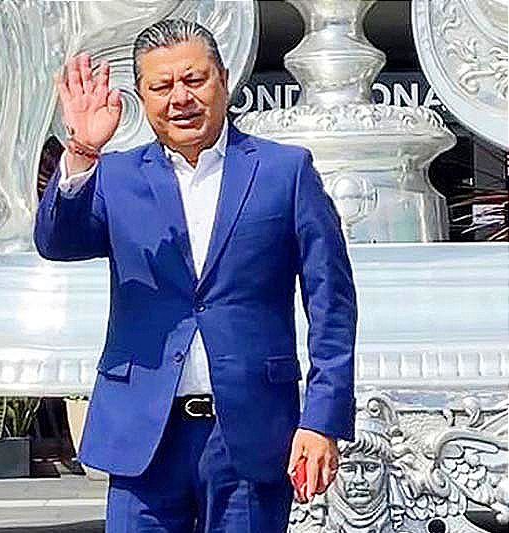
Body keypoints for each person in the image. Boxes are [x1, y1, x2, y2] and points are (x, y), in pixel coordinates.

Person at [34, 18, 357, 533]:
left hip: (250, 433)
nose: (179, 98)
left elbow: (332, 304)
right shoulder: (115, 176)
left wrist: (321, 419)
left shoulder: (284, 171)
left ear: (223, 80)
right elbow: (58, 243)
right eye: (161, 86)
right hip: (143, 432)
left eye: (194, 79)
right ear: (141, 97)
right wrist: (82, 153)